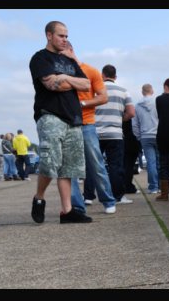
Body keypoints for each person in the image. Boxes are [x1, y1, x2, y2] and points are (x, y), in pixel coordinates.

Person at [28, 20, 91, 224]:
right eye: (61, 36)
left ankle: (67, 211)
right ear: (49, 35)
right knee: (50, 162)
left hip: (73, 117)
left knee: (69, 167)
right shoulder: (40, 58)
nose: (65, 40)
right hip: (50, 114)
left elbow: (86, 84)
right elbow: (51, 85)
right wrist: (69, 82)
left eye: (66, 36)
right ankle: (39, 198)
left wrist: (64, 77)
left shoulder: (70, 60)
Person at [62, 40, 117, 215]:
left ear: (70, 50)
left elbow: (103, 97)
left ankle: (108, 200)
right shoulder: (58, 74)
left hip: (86, 124)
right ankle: (77, 206)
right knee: (69, 168)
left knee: (96, 164)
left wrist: (81, 103)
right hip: (65, 125)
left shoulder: (91, 71)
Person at [90, 64, 135, 204]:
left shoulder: (94, 90)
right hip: (115, 133)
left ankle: (88, 197)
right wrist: (119, 119)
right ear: (115, 77)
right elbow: (131, 113)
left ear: (102, 75)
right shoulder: (123, 91)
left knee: (92, 165)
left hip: (95, 132)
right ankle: (118, 196)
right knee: (116, 166)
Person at [133, 83, 161, 194]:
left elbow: (134, 125)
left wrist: (139, 136)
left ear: (142, 92)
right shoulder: (158, 102)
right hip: (158, 135)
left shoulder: (137, 105)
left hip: (145, 136)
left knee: (151, 162)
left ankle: (153, 187)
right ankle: (162, 185)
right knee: (161, 162)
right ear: (152, 91)